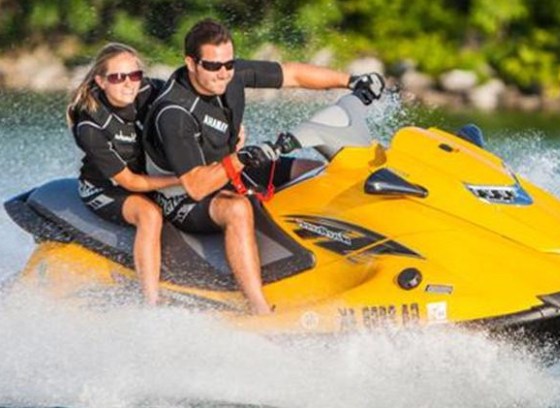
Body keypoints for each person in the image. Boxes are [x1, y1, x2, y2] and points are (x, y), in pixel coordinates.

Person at [143, 18, 384, 314]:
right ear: (191, 63)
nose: (223, 74)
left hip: (230, 169)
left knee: (314, 171)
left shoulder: (231, 74)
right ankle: (257, 307)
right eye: (213, 66)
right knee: (237, 209)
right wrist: (240, 159)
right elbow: (196, 186)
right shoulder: (174, 112)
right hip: (180, 197)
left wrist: (351, 80)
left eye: (228, 64)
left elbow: (293, 74)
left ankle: (341, 256)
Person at [67, 42, 180, 305]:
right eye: (118, 78)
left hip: (151, 177)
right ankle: (151, 301)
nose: (129, 84)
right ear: (101, 81)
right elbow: (128, 181)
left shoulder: (152, 90)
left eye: (134, 75)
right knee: (150, 216)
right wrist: (180, 180)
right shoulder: (90, 124)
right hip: (107, 188)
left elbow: (194, 104)